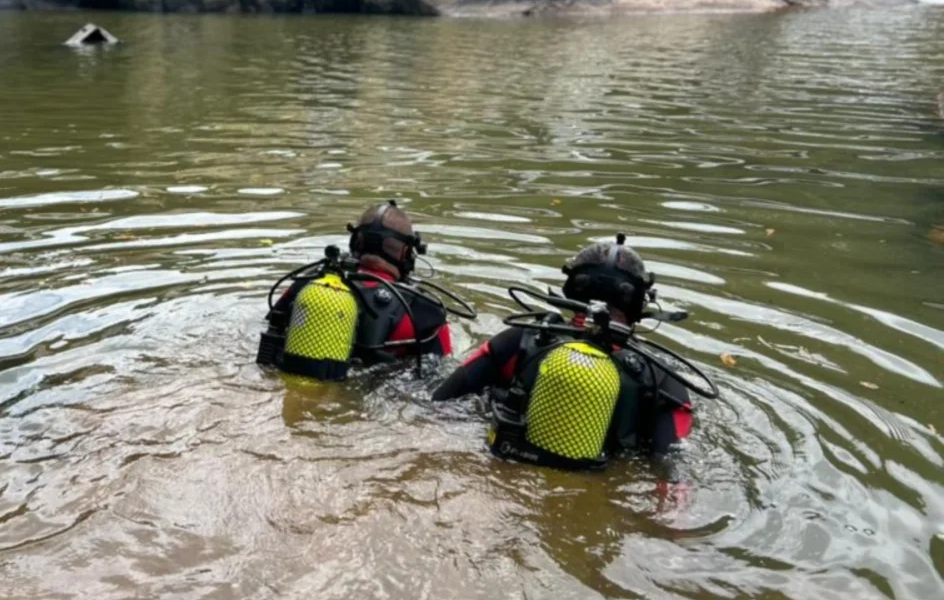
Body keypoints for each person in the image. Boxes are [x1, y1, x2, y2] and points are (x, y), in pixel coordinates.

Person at [432, 235, 696, 469]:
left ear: (571, 289)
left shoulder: (519, 340)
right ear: (639, 304)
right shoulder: (661, 378)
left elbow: (439, 401)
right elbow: (673, 473)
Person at [257, 201, 453, 381]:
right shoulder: (423, 312)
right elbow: (438, 380)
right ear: (407, 253)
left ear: (355, 241)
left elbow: (270, 327)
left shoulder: (309, 282)